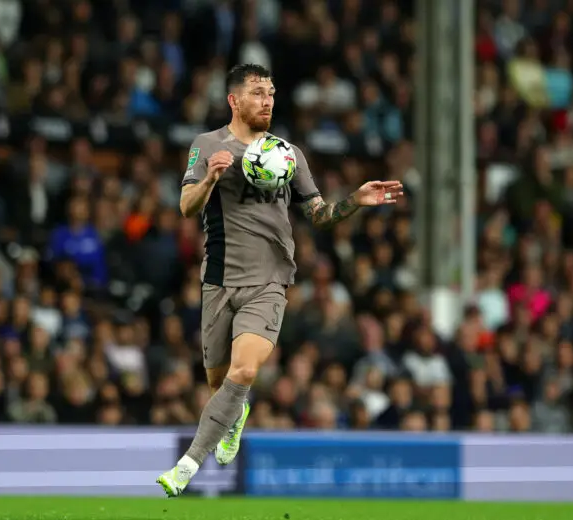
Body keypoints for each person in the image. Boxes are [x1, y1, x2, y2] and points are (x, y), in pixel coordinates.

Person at [156, 64, 403, 497]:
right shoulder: (207, 145)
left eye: (271, 92)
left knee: (246, 368)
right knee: (220, 384)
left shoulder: (288, 154)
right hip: (218, 279)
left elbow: (318, 215)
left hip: (269, 280)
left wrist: (355, 201)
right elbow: (185, 207)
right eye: (257, 93)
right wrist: (212, 177)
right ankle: (236, 414)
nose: (267, 100)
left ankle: (188, 464)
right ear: (234, 100)